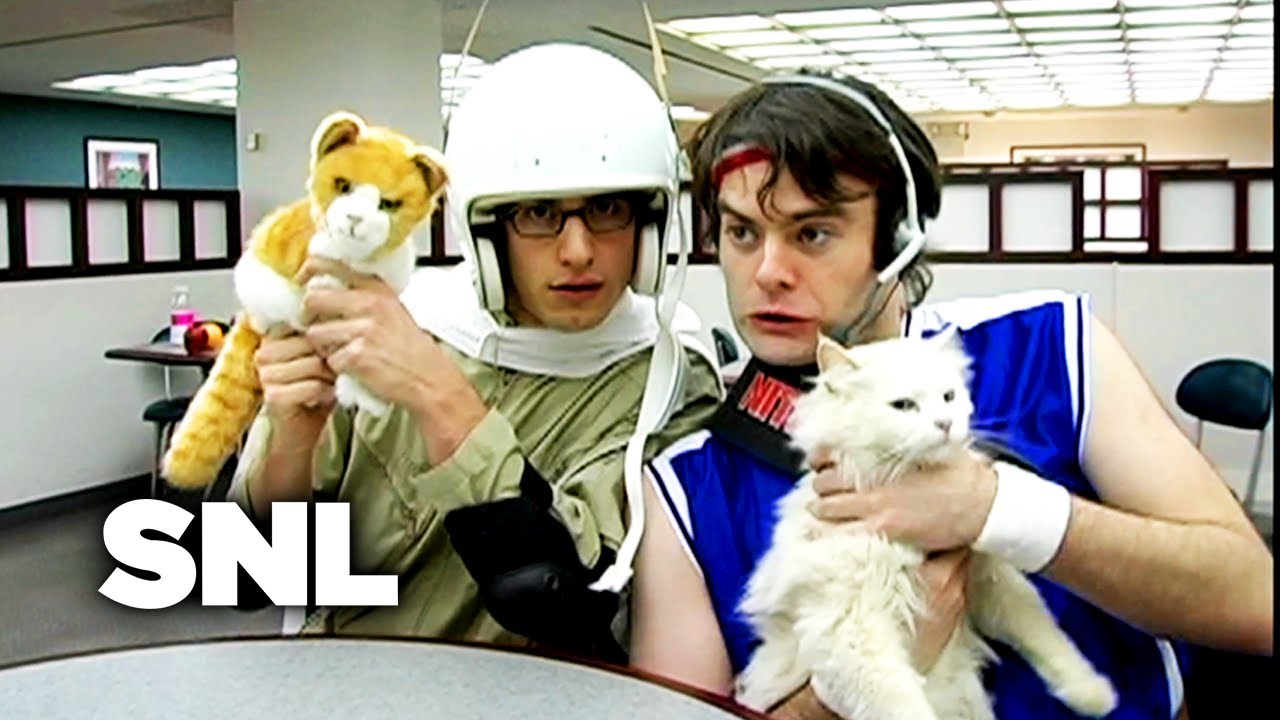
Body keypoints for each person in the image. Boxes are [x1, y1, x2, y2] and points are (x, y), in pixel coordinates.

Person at [630, 69, 1273, 719]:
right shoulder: (686, 488)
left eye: (811, 233)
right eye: (742, 233)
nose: (768, 272)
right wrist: (847, 685)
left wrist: (998, 509)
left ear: (897, 240)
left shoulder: (1050, 347)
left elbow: (1257, 602)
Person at [225, 43, 722, 663]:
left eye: (606, 209)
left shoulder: (670, 379)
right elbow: (250, 578)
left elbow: (562, 597)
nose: (577, 251)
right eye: (538, 213)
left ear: (648, 225)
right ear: (485, 230)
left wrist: (436, 395)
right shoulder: (388, 327)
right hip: (343, 683)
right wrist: (293, 439)